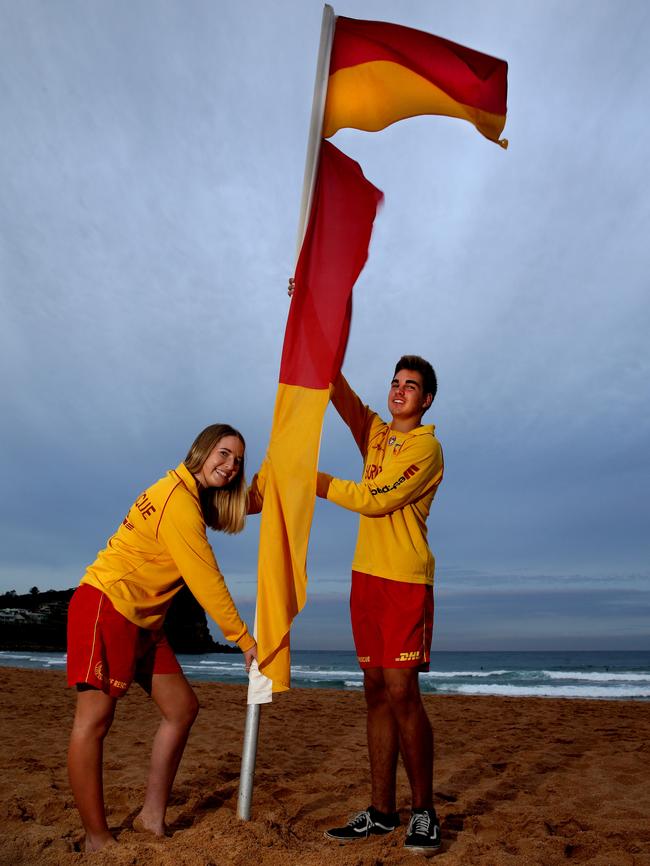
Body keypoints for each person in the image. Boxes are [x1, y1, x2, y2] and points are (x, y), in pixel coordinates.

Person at [66, 424, 260, 852]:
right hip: (108, 605)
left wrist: (283, 485)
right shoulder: (179, 504)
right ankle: (97, 839)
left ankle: (151, 817)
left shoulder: (188, 493)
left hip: (144, 621)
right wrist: (244, 640)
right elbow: (207, 581)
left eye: (238, 461)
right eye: (224, 454)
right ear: (202, 450)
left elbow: (234, 507)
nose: (230, 467)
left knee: (182, 708)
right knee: (93, 724)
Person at [316, 356, 444, 856]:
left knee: (401, 690)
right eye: (395, 383)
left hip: (405, 579)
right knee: (373, 691)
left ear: (426, 399)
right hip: (365, 577)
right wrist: (310, 314)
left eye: (410, 386)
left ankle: (425, 813)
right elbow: (337, 392)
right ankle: (383, 812)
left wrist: (318, 481)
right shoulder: (374, 431)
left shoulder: (428, 448)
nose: (399, 391)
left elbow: (374, 499)